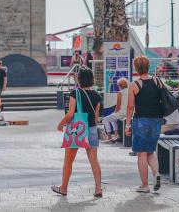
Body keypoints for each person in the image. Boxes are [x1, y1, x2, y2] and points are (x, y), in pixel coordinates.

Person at [52, 68, 103, 199]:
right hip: (91, 128)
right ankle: (98, 188)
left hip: (77, 129)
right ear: (92, 79)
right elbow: (97, 117)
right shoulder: (97, 95)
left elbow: (70, 114)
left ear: (79, 79)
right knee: (94, 161)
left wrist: (60, 124)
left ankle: (63, 188)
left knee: (68, 161)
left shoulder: (75, 93)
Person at [125, 55, 163, 194]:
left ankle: (145, 185)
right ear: (148, 67)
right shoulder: (157, 81)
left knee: (141, 153)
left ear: (136, 68)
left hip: (141, 120)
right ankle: (156, 173)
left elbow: (130, 107)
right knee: (150, 151)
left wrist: (127, 125)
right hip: (156, 120)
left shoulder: (134, 85)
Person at [100, 78, 129, 142]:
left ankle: (109, 136)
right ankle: (116, 134)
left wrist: (114, 112)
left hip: (121, 113)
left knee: (105, 119)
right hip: (128, 113)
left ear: (119, 85)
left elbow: (118, 107)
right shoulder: (130, 91)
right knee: (113, 118)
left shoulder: (120, 93)